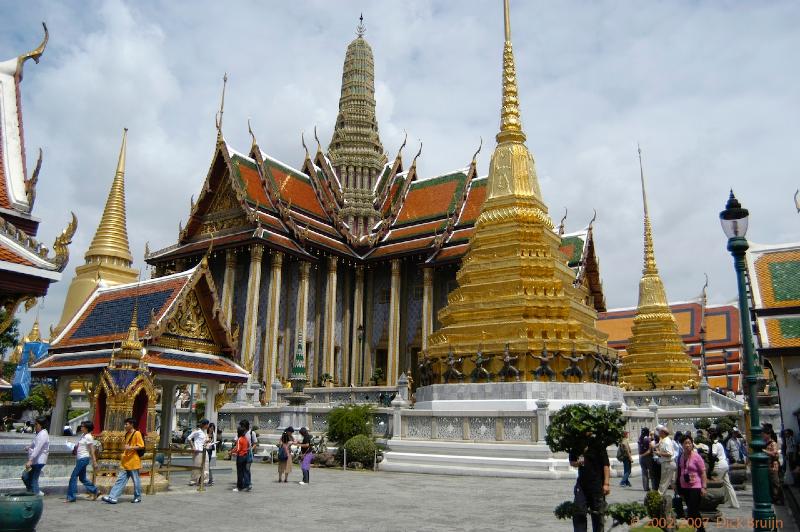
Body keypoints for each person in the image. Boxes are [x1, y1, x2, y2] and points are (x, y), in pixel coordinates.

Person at [569, 437, 610, 532]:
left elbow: (606, 465)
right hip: (582, 485)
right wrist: (577, 463)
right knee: (578, 511)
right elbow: (572, 461)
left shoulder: (598, 444)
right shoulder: (577, 444)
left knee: (597, 516)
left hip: (597, 485)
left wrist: (606, 484)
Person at [102, 417, 144, 504]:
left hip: (133, 461)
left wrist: (130, 447)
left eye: (126, 424)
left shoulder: (137, 433)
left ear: (131, 424)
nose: (125, 426)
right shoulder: (127, 434)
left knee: (136, 481)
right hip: (126, 461)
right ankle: (113, 497)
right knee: (120, 480)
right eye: (125, 424)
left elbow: (141, 446)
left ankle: (138, 497)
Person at [677, 434, 707, 532]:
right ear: (682, 445)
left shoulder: (696, 457)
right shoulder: (681, 456)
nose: (688, 445)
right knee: (691, 508)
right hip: (684, 486)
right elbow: (679, 471)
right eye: (685, 443)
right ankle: (698, 528)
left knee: (692, 509)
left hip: (695, 485)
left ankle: (698, 528)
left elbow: (703, 472)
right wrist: (676, 484)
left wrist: (704, 487)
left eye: (689, 443)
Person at [66, 420, 99, 502]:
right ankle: (95, 491)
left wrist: (94, 461)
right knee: (82, 478)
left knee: (73, 477)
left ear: (87, 428)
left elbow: (92, 449)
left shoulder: (88, 436)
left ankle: (71, 497)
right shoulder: (83, 435)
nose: (81, 427)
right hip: (80, 458)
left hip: (83, 459)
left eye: (82, 426)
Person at [710, 430, 739, 509]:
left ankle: (714, 502)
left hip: (719, 465)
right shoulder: (720, 444)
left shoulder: (714, 444)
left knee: (714, 484)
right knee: (728, 484)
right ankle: (735, 503)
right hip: (725, 464)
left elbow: (714, 454)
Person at [22, 416, 49, 495]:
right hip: (35, 460)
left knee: (33, 479)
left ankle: (36, 495)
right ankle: (34, 492)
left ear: (41, 425)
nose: (35, 426)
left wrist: (30, 460)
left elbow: (38, 448)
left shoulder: (43, 434)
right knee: (25, 476)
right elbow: (34, 444)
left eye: (36, 424)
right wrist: (29, 447)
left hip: (39, 460)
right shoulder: (40, 434)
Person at [186, 419, 209, 486]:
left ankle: (204, 481)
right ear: (204, 425)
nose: (208, 426)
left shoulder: (205, 432)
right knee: (197, 466)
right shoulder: (197, 431)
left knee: (206, 466)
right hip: (198, 451)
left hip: (204, 451)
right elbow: (189, 438)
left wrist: (208, 442)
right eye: (207, 424)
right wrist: (193, 447)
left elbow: (203, 442)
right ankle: (193, 481)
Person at [654, 425, 675, 496]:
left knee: (663, 482)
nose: (658, 433)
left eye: (659, 431)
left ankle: (659, 498)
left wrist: (659, 453)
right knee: (672, 482)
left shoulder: (666, 442)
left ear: (663, 432)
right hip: (667, 463)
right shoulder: (663, 440)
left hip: (667, 463)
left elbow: (670, 453)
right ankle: (680, 496)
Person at [764, 430, 784, 505]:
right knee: (771, 483)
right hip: (768, 466)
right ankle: (773, 498)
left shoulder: (773, 443)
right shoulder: (765, 443)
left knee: (775, 483)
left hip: (773, 466)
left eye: (764, 434)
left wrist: (764, 451)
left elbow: (775, 454)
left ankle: (778, 499)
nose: (762, 436)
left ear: (768, 435)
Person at [238, 419, 257, 490]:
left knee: (247, 469)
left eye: (242, 426)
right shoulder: (241, 432)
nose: (241, 427)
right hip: (241, 454)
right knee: (242, 469)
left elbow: (255, 443)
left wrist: (251, 449)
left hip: (248, 454)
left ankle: (248, 483)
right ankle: (244, 483)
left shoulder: (252, 433)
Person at [232, 426, 250, 492]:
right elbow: (248, 446)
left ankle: (239, 487)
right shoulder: (245, 439)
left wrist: (232, 452)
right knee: (244, 471)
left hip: (241, 457)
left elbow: (238, 449)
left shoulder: (239, 439)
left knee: (239, 473)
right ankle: (246, 484)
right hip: (245, 456)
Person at [638, 427, 655, 491]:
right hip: (648, 457)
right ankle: (654, 487)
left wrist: (641, 455)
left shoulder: (640, 439)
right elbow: (649, 451)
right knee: (651, 473)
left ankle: (645, 487)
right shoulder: (648, 440)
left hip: (641, 458)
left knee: (644, 473)